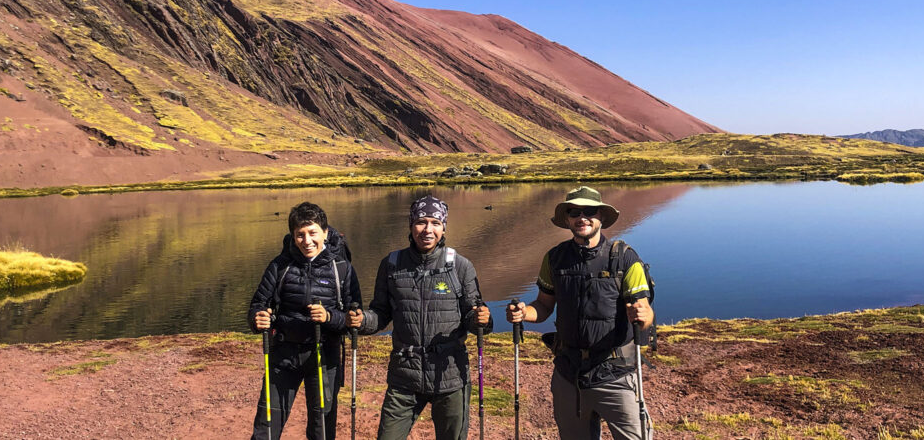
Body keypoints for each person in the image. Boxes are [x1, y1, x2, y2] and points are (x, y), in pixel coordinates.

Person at [505, 186, 655, 440]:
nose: (582, 217)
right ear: (567, 219)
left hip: (615, 373)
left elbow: (646, 314)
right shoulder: (555, 258)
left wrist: (643, 316)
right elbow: (543, 306)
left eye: (589, 211)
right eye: (574, 211)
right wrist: (523, 313)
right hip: (568, 373)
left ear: (601, 217)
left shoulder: (624, 258)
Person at [346, 195, 492, 440]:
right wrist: (362, 322)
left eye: (435, 223)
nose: (428, 229)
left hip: (450, 376)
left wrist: (482, 320)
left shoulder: (460, 266)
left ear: (444, 227)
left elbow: (473, 316)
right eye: (421, 222)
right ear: (411, 225)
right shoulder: (391, 264)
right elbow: (381, 314)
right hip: (404, 376)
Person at [248, 202, 362, 440]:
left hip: (324, 357)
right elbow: (258, 304)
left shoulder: (342, 269)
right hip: (283, 356)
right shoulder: (280, 266)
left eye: (313, 233)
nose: (306, 240)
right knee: (266, 429)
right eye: (300, 234)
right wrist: (257, 319)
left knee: (321, 431)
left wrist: (329, 317)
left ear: (325, 233)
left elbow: (354, 318)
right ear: (293, 235)